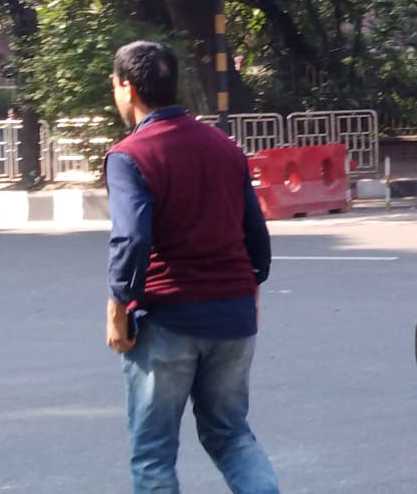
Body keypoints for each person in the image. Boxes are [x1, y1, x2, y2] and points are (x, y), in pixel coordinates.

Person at [104, 40, 279, 494]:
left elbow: (131, 239)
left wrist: (118, 307)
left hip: (168, 321)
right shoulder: (225, 147)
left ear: (127, 88)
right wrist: (250, 290)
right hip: (233, 318)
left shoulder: (130, 155)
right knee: (232, 436)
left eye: (115, 84)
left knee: (153, 455)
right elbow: (256, 236)